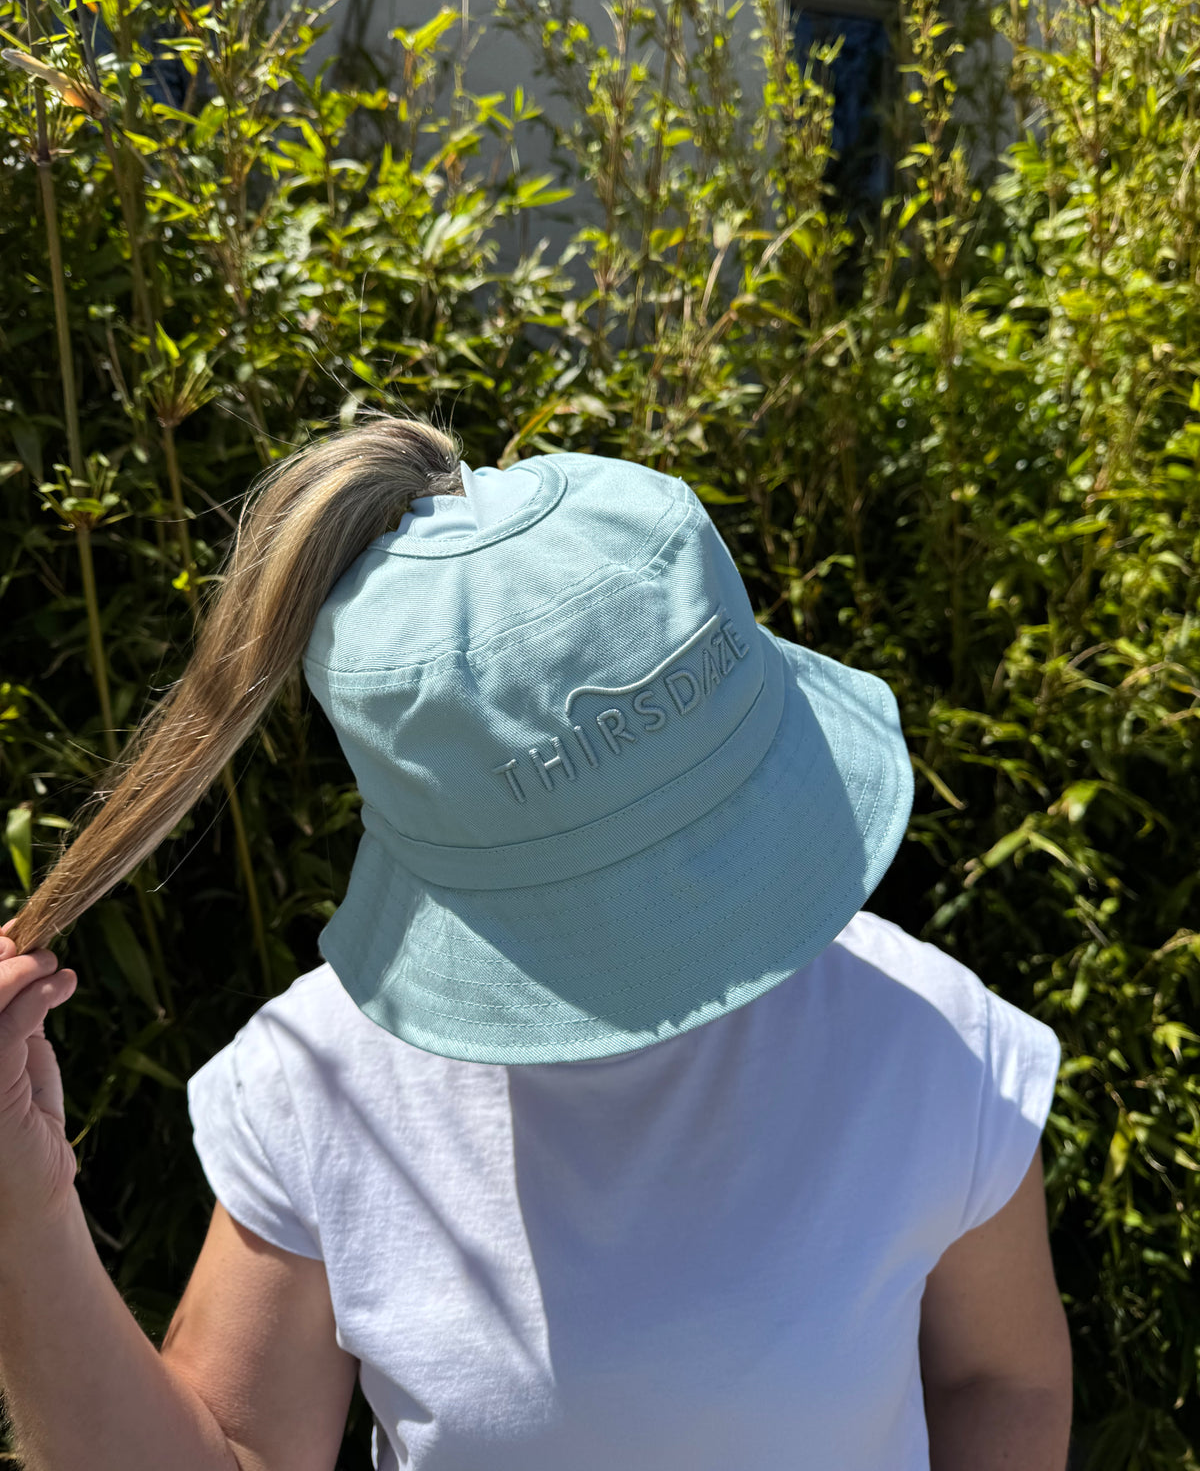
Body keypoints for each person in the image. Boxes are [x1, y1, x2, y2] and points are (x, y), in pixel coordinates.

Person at [0, 413, 1073, 1471]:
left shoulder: (932, 1044)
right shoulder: (325, 1084)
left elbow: (1003, 1380)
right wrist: (24, 1213)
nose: (687, 917)